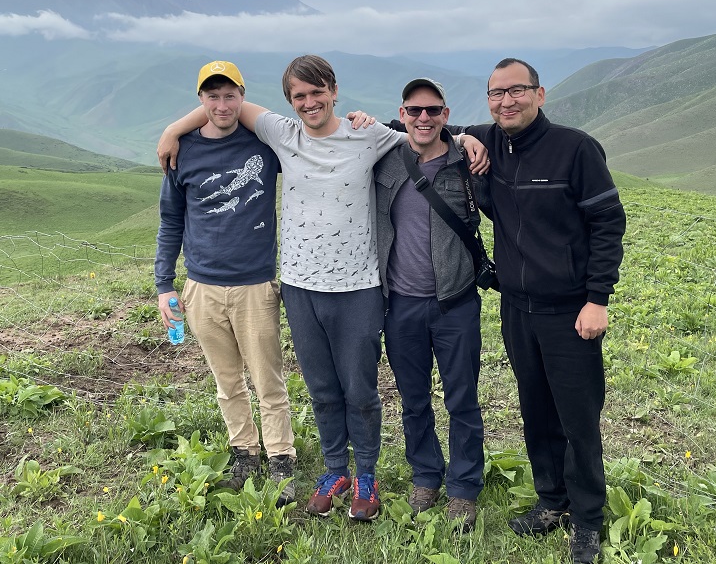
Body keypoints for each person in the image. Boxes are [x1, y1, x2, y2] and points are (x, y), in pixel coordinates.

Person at [157, 55, 488, 522]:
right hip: (298, 286)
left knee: (360, 389)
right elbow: (227, 104)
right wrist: (173, 130)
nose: (309, 103)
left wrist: (469, 137)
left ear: (334, 91)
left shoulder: (368, 135)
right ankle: (335, 469)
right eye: (299, 96)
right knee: (322, 389)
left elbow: (426, 135)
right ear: (289, 101)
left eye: (318, 93)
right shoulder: (280, 132)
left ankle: (367, 474)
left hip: (358, 287)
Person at [463, 58, 626, 564]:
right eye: (496, 94)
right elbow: (420, 124)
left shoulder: (575, 149)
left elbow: (607, 224)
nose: (506, 101)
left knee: (577, 417)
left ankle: (587, 520)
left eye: (517, 91)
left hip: (570, 311)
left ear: (540, 94)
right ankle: (550, 500)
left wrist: (597, 299)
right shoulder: (486, 141)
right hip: (516, 306)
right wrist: (362, 119)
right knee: (534, 407)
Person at [154, 60, 296, 506]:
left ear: (242, 95)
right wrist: (164, 284)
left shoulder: (264, 145)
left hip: (255, 284)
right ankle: (244, 453)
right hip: (201, 287)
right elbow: (170, 221)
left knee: (267, 378)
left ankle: (282, 458)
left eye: (230, 95)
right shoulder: (184, 153)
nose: (221, 104)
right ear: (201, 99)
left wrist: (176, 124)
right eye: (212, 96)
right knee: (226, 379)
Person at [374, 78, 485, 532]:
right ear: (401, 114)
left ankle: (463, 486)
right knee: (413, 400)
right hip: (400, 304)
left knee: (463, 399)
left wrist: (465, 136)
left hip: (456, 302)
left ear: (446, 113)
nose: (424, 118)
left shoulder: (467, 161)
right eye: (414, 110)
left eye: (433, 110)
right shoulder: (384, 154)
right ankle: (425, 475)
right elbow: (333, 127)